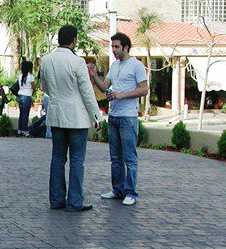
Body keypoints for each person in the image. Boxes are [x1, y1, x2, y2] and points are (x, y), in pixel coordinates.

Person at [41, 25, 103, 212]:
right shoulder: (78, 62)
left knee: (57, 158)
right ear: (74, 40)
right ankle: (75, 202)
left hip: (56, 115)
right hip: (77, 117)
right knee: (77, 160)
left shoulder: (46, 60)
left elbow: (44, 88)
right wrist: (96, 116)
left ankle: (56, 200)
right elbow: (87, 92)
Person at [88, 32, 149, 206]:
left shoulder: (136, 65)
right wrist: (94, 75)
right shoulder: (114, 66)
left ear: (126, 47)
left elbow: (144, 89)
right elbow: (104, 87)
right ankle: (117, 190)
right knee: (115, 157)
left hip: (128, 117)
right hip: (113, 116)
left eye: (116, 47)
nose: (114, 50)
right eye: (112, 47)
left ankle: (131, 193)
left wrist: (121, 95)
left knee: (129, 157)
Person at [16, 60, 35, 136]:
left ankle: (20, 130)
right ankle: (25, 131)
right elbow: (33, 87)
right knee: (25, 114)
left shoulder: (19, 76)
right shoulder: (31, 77)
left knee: (21, 114)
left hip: (20, 95)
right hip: (27, 96)